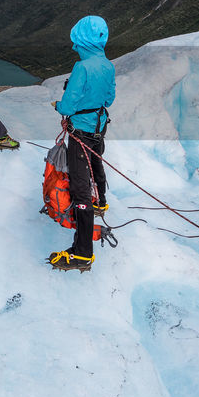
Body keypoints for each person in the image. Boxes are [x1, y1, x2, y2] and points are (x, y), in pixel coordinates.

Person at [49, 16, 116, 271]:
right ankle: (102, 202)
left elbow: (68, 104)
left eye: (76, 40)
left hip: (82, 131)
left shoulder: (82, 67)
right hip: (99, 126)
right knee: (97, 161)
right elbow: (108, 99)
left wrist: (59, 106)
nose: (74, 46)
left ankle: (82, 252)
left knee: (80, 190)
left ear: (83, 39)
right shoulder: (108, 66)